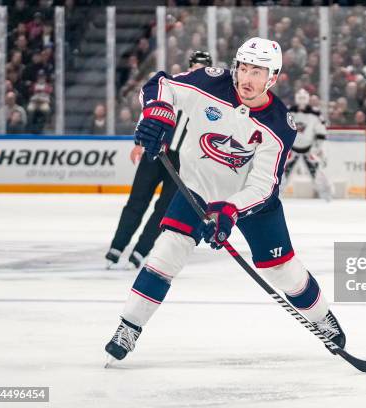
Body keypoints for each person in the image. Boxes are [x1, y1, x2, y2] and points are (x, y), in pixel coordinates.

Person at [104, 37, 345, 362]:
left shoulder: (279, 125)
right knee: (166, 253)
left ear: (272, 77)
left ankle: (322, 318)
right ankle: (128, 327)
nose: (247, 79)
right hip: (196, 190)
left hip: (252, 205)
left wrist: (229, 210)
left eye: (257, 72)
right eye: (243, 68)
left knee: (280, 270)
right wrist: (155, 115)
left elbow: (263, 185)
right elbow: (160, 84)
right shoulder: (209, 82)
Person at [105, 51, 213, 270]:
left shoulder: (213, 98)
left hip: (184, 162)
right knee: (137, 199)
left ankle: (141, 251)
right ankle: (117, 247)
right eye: (195, 66)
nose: (198, 70)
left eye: (203, 67)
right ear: (189, 65)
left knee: (163, 209)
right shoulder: (174, 83)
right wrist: (139, 140)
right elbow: (152, 108)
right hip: (157, 151)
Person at [283, 88, 333, 200]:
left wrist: (319, 147)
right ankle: (275, 197)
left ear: (307, 99)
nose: (301, 101)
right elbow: (281, 128)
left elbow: (321, 131)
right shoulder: (289, 111)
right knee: (282, 176)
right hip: (292, 150)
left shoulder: (315, 113)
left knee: (317, 174)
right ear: (296, 99)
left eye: (303, 98)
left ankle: (327, 196)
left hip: (309, 150)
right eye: (299, 98)